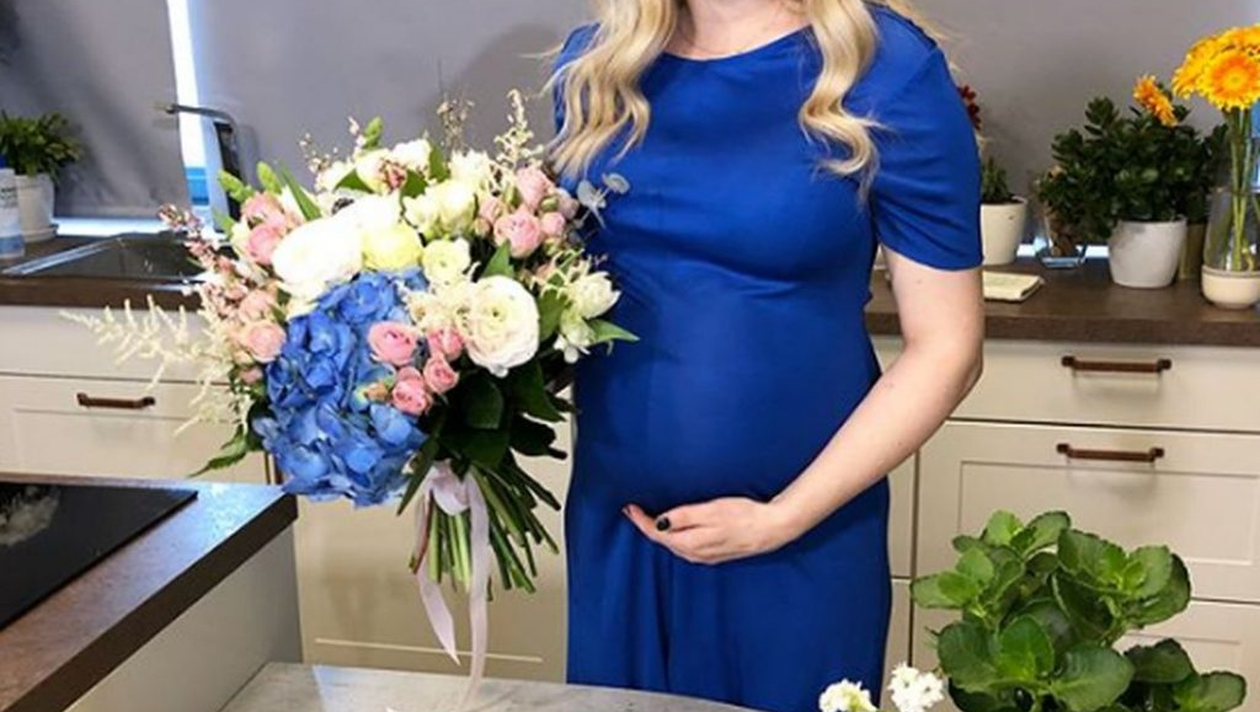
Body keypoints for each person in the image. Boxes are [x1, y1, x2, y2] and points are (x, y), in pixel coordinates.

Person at [548, 1, 985, 710]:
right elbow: (574, 303)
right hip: (621, 533)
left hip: (799, 542)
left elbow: (950, 348)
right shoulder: (597, 65)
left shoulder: (885, 67)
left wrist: (781, 518)